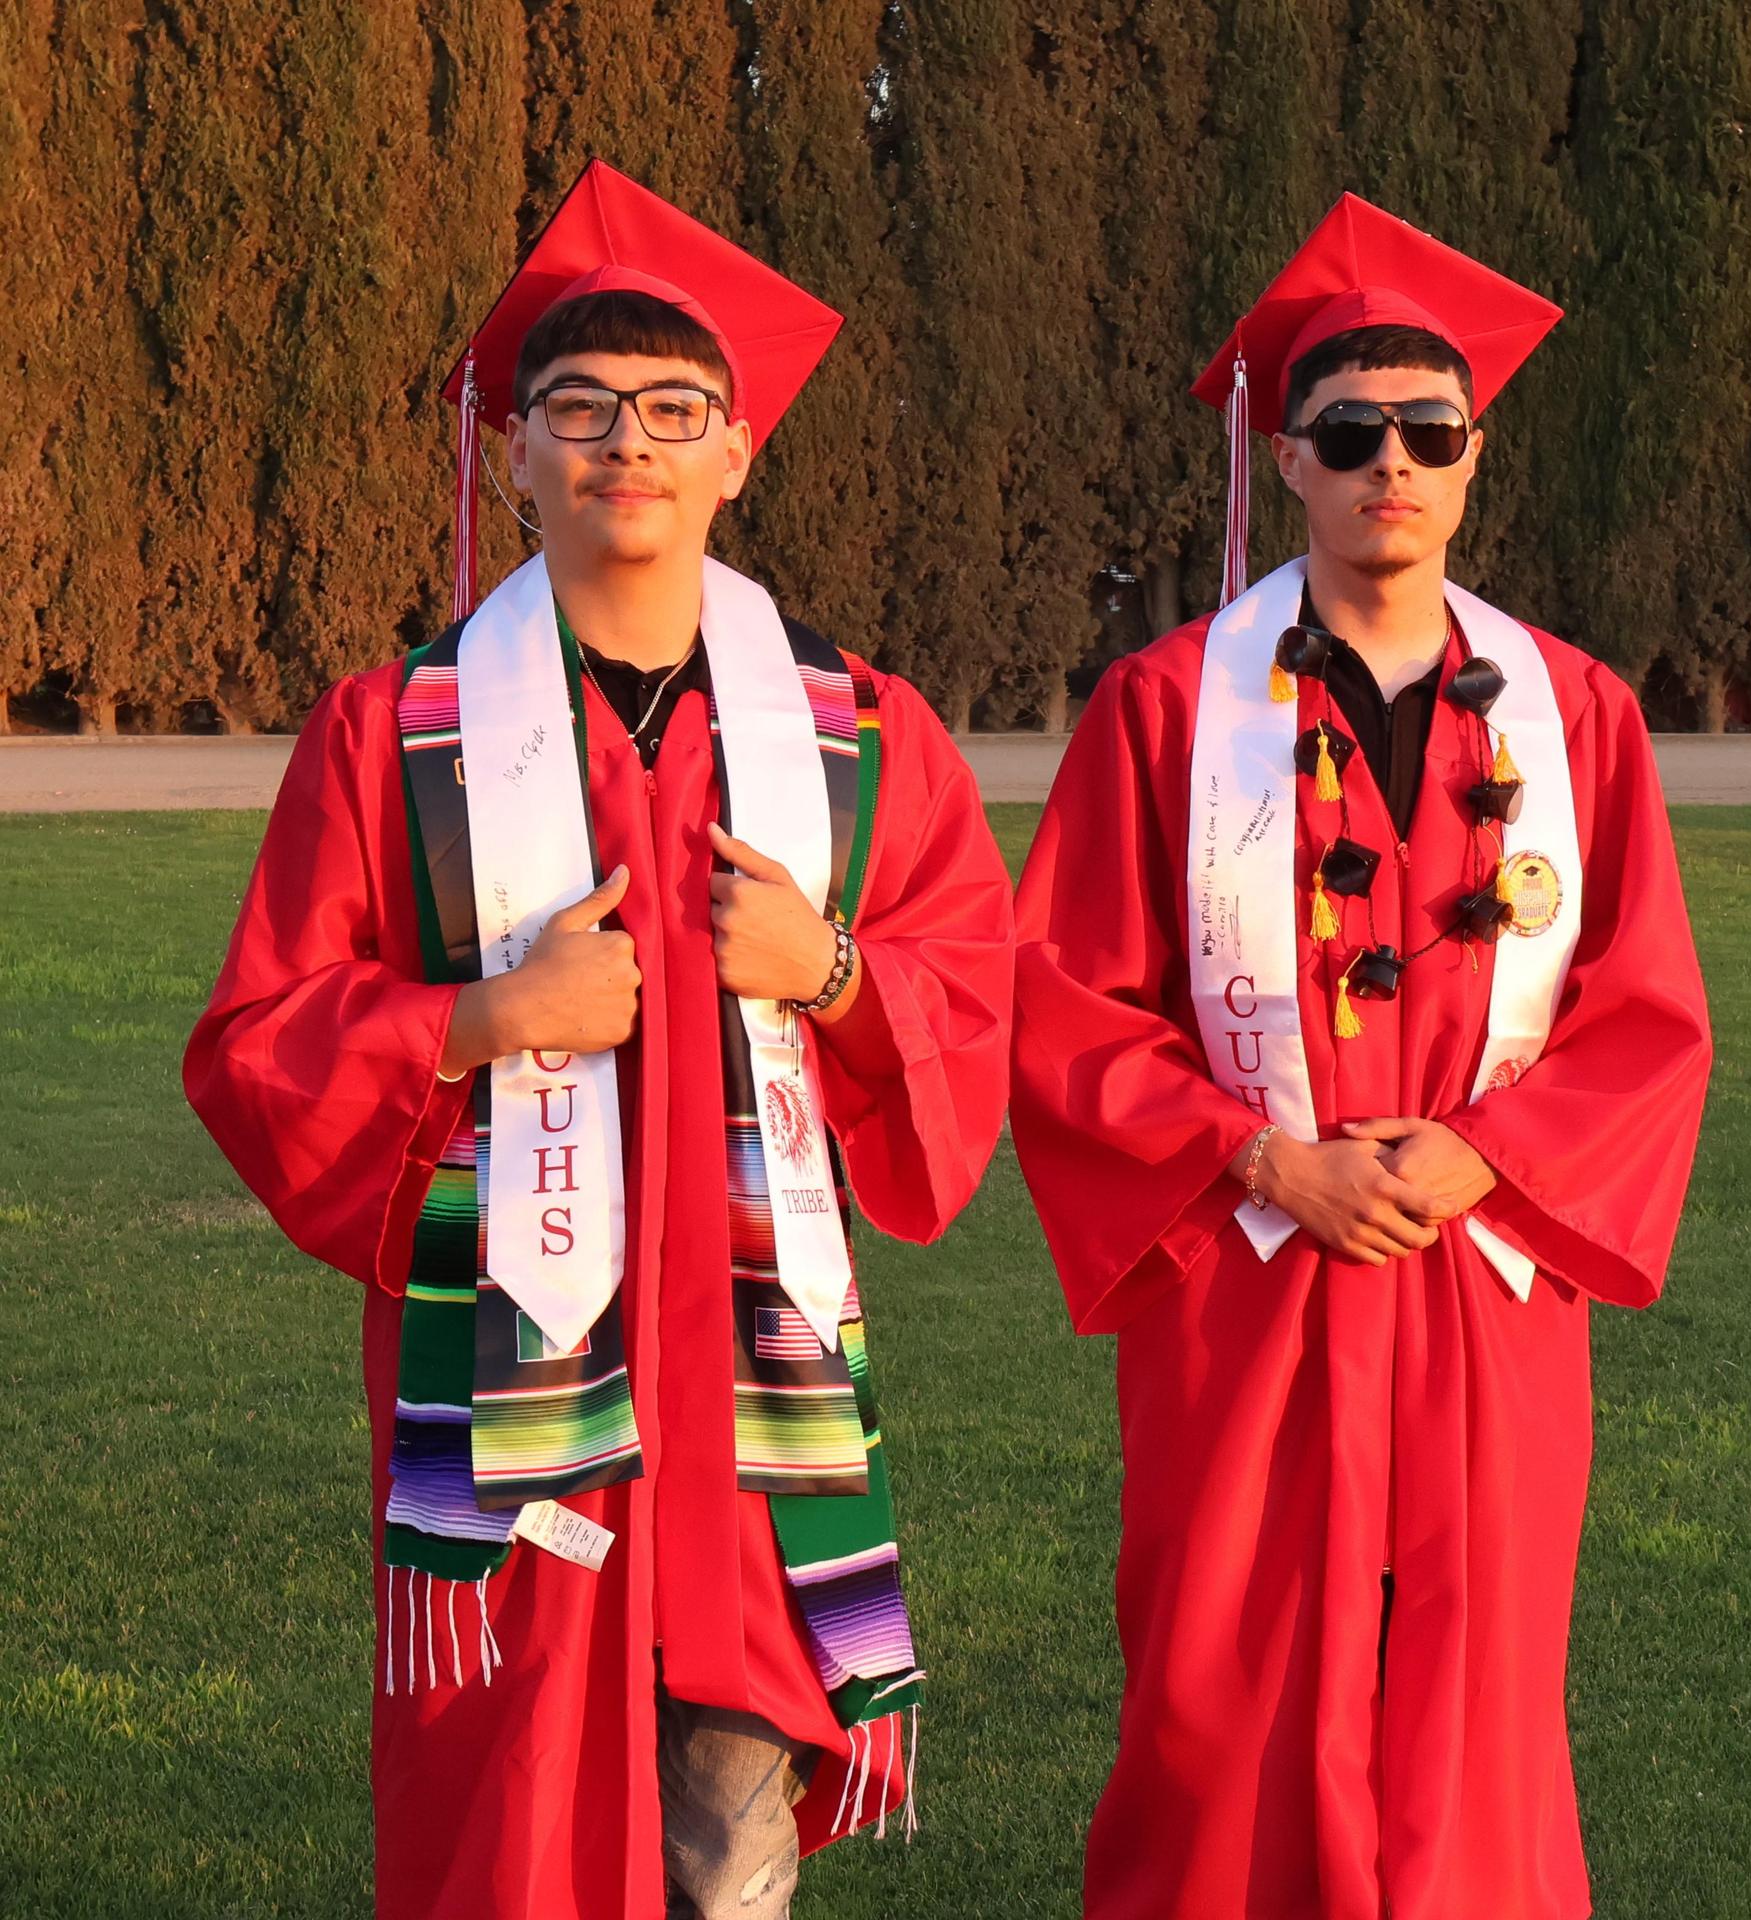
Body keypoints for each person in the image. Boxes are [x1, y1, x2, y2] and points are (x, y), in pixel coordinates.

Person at [184, 159, 1013, 1920]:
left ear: (736, 450)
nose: (622, 443)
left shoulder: (858, 738)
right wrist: (482, 1017)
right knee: (516, 1809)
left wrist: (834, 969)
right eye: (575, 409)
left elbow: (970, 1010)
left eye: (670, 410)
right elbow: (260, 1039)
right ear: (512, 456)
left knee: (729, 1829)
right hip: (512, 1401)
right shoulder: (392, 738)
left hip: (744, 1402)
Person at [1010, 194, 1712, 1920]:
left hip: (1481, 1283)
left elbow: (1648, 1010)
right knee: (1221, 1679)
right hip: (1250, 1276)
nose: (1390, 462)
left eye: (1428, 432)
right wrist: (1266, 1156)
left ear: (1474, 463)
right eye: (1349, 434)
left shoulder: (1580, 715)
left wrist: (1494, 1153)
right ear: (1295, 464)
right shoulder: (1173, 709)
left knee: (1476, 1690)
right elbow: (1065, 1004)